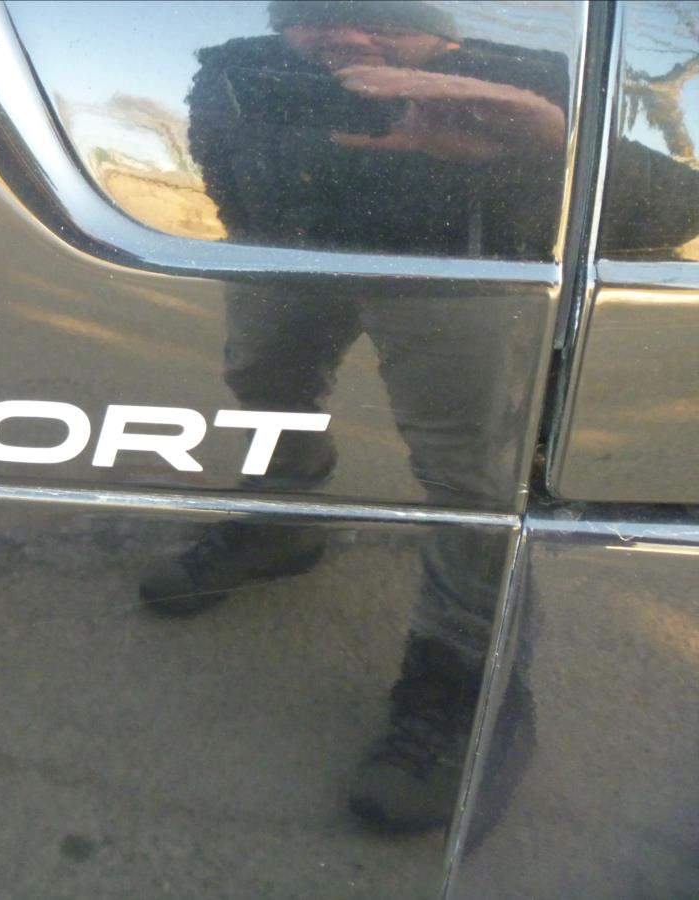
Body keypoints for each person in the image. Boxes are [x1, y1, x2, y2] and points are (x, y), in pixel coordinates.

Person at [142, 0, 573, 834]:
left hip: (456, 273)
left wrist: (540, 139)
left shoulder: (520, 75)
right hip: (285, 252)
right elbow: (213, 156)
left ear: (440, 32)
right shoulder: (238, 64)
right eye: (313, 17)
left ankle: (465, 683)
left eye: (382, 20)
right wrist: (257, 223)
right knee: (264, 387)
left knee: (470, 476)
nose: (344, 34)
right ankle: (284, 521)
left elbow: (667, 205)